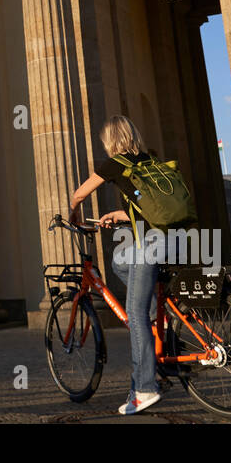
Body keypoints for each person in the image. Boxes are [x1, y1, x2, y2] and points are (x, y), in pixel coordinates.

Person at [69, 114, 169, 416]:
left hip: (148, 242)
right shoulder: (148, 160)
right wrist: (118, 214)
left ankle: (145, 389)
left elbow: (80, 193)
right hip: (169, 237)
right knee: (117, 263)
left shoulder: (114, 164)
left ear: (111, 141)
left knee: (135, 316)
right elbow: (148, 208)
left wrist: (73, 214)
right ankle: (158, 316)